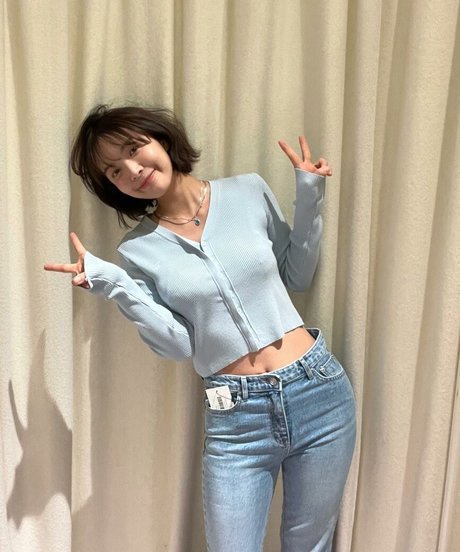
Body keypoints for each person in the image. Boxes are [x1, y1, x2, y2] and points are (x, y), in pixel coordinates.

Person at [44, 105, 356, 552]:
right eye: (114, 171)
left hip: (318, 391)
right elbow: (178, 345)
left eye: (134, 149)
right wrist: (116, 284)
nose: (132, 170)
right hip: (237, 419)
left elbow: (297, 275)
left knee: (310, 545)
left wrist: (310, 194)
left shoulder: (248, 190)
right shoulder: (138, 250)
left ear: (161, 139)